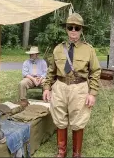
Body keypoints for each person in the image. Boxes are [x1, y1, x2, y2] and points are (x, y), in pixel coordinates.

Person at [42, 13, 101, 157]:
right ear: (66, 29)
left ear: (81, 30)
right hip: (60, 87)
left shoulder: (89, 50)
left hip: (79, 88)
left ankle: (76, 153)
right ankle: (61, 152)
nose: (73, 30)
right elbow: (51, 71)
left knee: (78, 120)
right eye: (70, 27)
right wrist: (46, 87)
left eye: (77, 28)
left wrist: (92, 93)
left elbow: (95, 71)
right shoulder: (58, 49)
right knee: (59, 119)